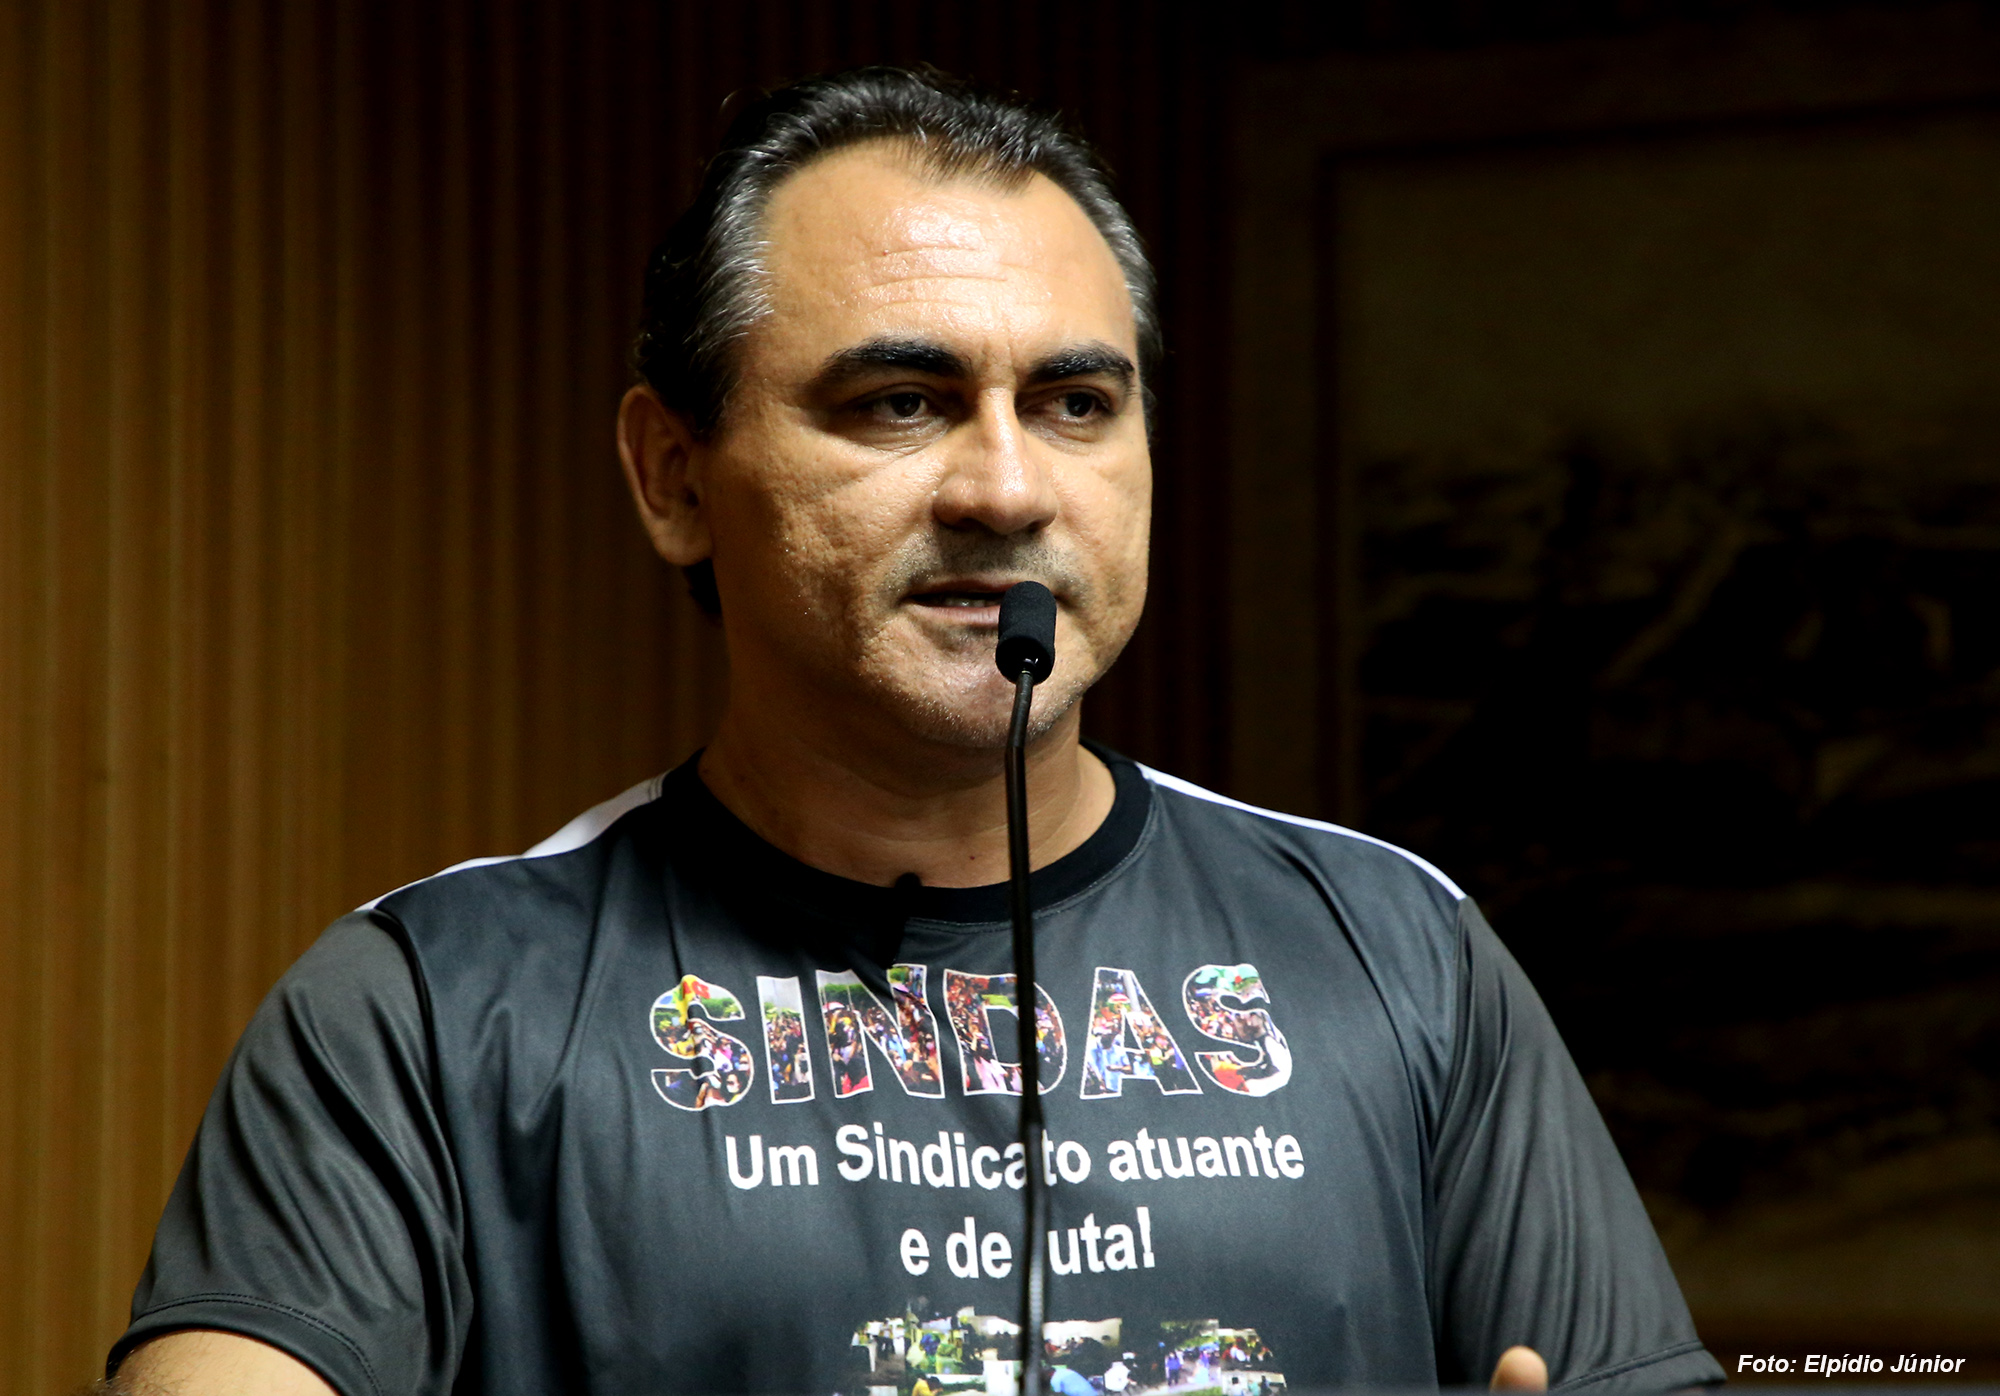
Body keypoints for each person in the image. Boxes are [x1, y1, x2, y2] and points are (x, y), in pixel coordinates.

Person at [104, 66, 1724, 1396]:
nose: (1008, 489)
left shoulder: (1401, 953)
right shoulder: (427, 1008)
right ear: (673, 477)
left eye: (1077, 405)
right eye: (901, 402)